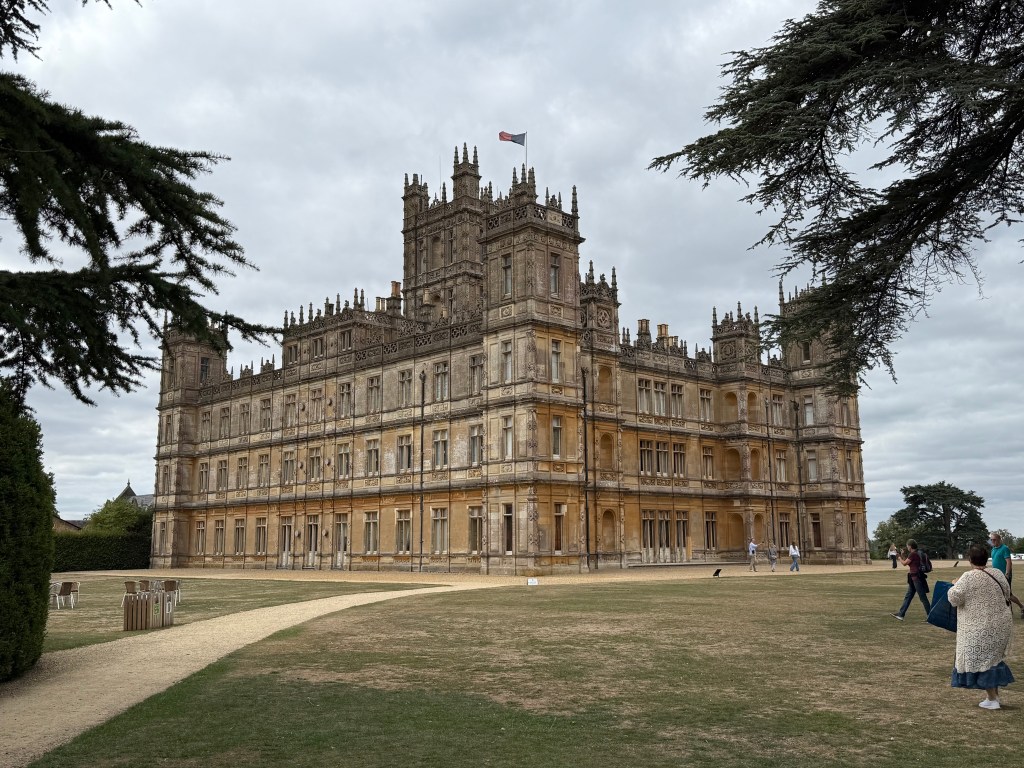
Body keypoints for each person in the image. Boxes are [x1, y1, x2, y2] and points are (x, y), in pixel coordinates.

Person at [947, 543, 1015, 709]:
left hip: (980, 626)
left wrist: (954, 584)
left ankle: (992, 699)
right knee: (993, 660)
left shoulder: (967, 577)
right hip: (1001, 624)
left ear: (970, 560)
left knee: (982, 661)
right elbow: (1008, 592)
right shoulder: (997, 573)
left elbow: (954, 599)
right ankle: (994, 697)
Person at [890, 539, 930, 620]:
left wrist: (898, 557)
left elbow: (904, 563)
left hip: (916, 578)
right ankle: (901, 614)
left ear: (910, 546)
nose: (907, 547)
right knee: (908, 596)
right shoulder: (916, 553)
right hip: (915, 578)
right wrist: (902, 555)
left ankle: (931, 617)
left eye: (907, 546)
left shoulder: (913, 554)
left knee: (923, 598)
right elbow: (909, 563)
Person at [989, 532, 1024, 614]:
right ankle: (1007, 611)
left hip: (1005, 575)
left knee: (1008, 594)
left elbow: (1009, 562)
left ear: (999, 539)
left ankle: (1022, 607)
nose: (993, 541)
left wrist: (1007, 574)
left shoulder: (1004, 548)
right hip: (996, 575)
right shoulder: (993, 549)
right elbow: (994, 562)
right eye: (991, 540)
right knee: (999, 593)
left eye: (994, 539)